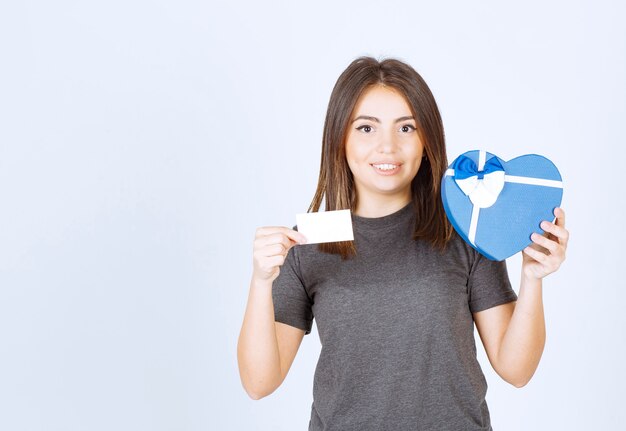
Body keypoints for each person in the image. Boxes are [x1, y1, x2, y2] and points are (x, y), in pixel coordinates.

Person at [237, 56, 569, 430]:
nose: (387, 147)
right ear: (339, 139)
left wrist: (533, 277)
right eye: (366, 128)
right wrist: (261, 281)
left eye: (406, 128)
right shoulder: (309, 242)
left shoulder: (464, 228)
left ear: (426, 139)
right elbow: (259, 383)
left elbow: (517, 370)